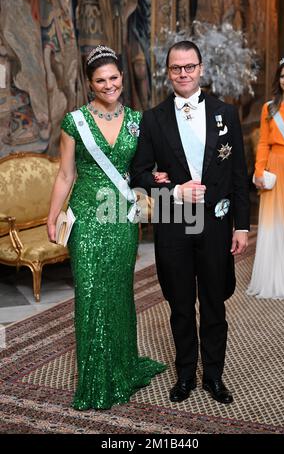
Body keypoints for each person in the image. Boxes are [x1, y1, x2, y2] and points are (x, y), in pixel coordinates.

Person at [47, 45, 167, 410]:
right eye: (101, 80)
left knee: (118, 293)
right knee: (90, 294)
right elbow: (66, 174)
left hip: (121, 217)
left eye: (114, 77)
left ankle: (122, 366)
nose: (109, 84)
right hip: (86, 217)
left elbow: (143, 167)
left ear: (122, 78)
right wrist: (53, 215)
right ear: (90, 83)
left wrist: (154, 178)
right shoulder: (75, 121)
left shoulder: (137, 121)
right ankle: (95, 379)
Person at [130, 41, 250, 405]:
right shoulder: (152, 118)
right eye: (176, 68)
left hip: (214, 222)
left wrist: (241, 226)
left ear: (201, 68)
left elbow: (238, 173)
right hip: (173, 221)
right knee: (180, 304)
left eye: (189, 66)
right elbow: (138, 173)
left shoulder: (224, 113)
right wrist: (174, 189)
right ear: (168, 72)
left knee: (214, 302)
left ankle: (213, 375)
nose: (183, 73)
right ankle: (185, 375)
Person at [248, 57, 284, 300]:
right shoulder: (269, 108)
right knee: (275, 221)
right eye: (283, 76)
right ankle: (274, 279)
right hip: (276, 168)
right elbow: (263, 142)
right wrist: (259, 171)